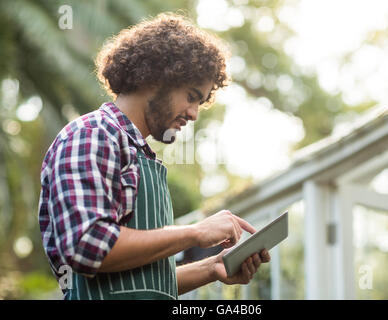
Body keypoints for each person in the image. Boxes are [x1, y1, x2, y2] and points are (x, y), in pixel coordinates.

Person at [38, 12, 270, 300]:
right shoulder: (91, 135)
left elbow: (141, 284)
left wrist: (213, 267)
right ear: (158, 77)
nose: (194, 113)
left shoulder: (141, 156)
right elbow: (88, 246)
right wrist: (194, 233)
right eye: (191, 96)